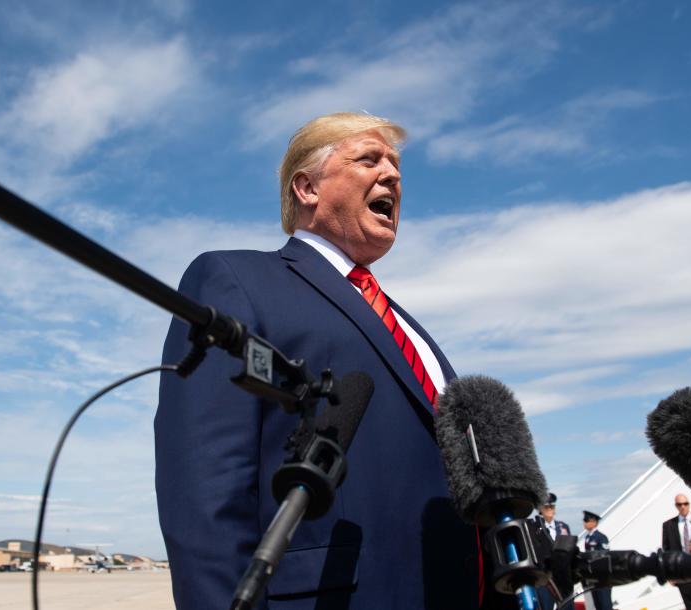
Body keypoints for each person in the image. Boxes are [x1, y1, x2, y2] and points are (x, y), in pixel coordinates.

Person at [155, 113, 481, 609]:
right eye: (369, 159)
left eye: (395, 164)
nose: (392, 175)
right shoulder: (235, 279)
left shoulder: (406, 325)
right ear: (306, 187)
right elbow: (204, 491)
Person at [532, 493, 571, 610]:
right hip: (545, 577)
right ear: (540, 510)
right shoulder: (534, 529)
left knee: (567, 605)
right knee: (545, 606)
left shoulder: (563, 527)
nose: (550, 510)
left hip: (562, 575)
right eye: (546, 507)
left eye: (552, 507)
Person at [582, 510, 612, 610]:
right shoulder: (587, 538)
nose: (584, 523)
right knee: (597, 605)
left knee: (605, 605)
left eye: (587, 520)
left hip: (602, 577)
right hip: (593, 577)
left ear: (594, 522)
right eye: (584, 520)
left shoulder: (601, 537)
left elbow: (605, 556)